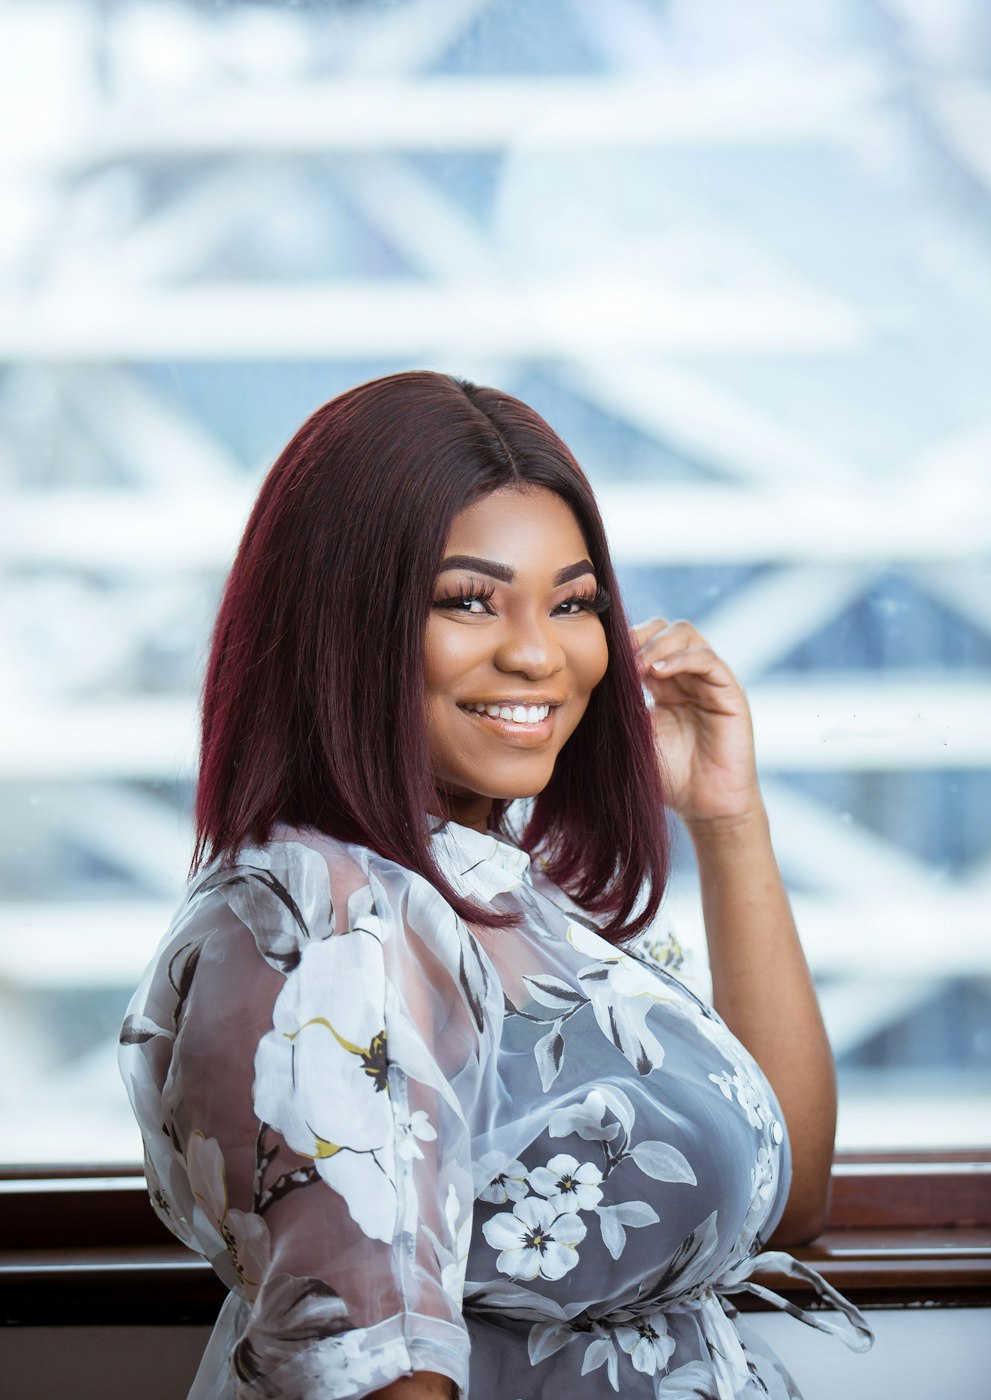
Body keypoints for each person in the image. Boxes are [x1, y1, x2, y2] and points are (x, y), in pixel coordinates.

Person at [120, 370, 871, 1399]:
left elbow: (787, 1207)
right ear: (345, 621)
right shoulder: (325, 927)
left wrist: (727, 819)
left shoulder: (498, 892)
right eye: (469, 599)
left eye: (571, 603)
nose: (536, 651)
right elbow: (377, 1373)